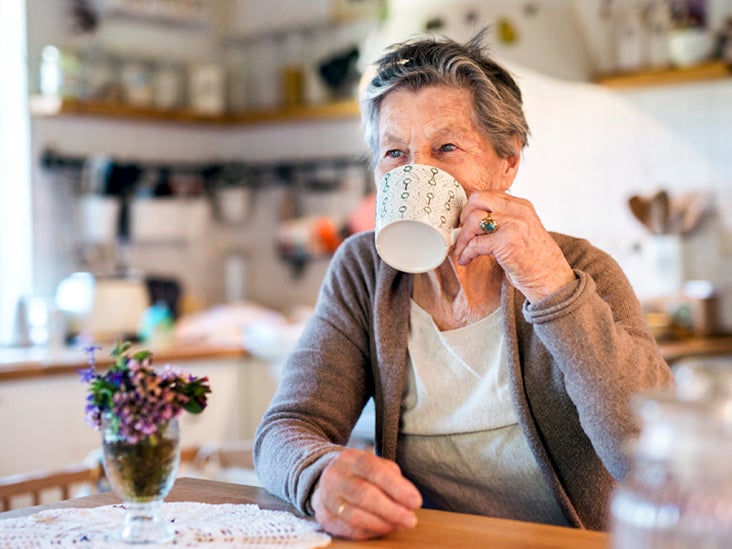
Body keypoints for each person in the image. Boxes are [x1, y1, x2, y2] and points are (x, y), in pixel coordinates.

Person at [253, 30, 673, 541]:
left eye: (446, 147)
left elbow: (655, 458)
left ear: (508, 162)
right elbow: (286, 427)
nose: (417, 172)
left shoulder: (582, 269)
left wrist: (550, 285)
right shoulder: (364, 271)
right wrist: (317, 475)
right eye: (394, 154)